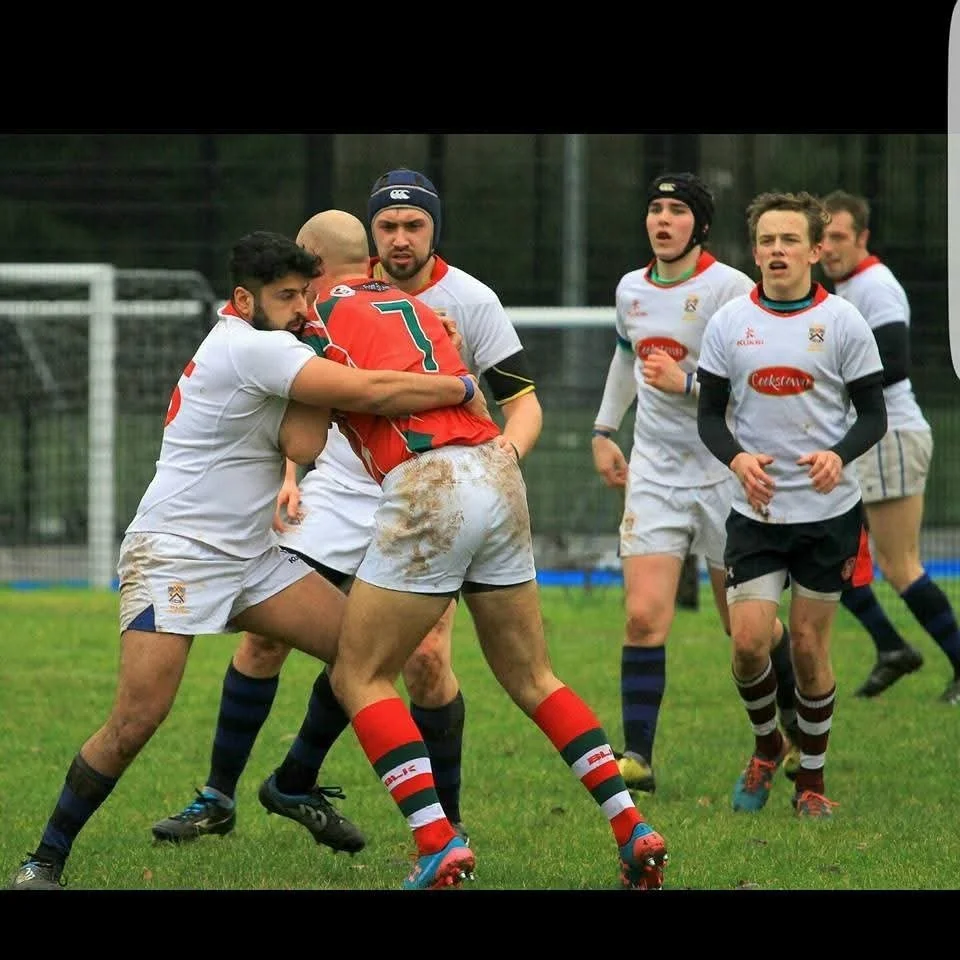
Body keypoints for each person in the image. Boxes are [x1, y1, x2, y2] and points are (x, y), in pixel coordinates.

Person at [8, 230, 490, 890]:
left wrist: (319, 354)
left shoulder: (279, 342)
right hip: (175, 553)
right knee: (135, 720)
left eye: (304, 294)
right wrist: (457, 384)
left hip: (253, 559)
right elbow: (373, 392)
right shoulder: (251, 345)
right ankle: (45, 860)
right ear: (243, 299)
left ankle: (400, 823)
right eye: (286, 296)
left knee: (363, 659)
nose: (300, 308)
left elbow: (302, 438)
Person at [151, 168, 543, 849]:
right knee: (266, 636)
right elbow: (290, 390)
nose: (398, 239)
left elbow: (524, 401)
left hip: (432, 491)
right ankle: (217, 795)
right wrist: (290, 473)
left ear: (432, 230)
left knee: (418, 659)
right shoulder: (311, 303)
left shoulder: (471, 302)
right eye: (387, 226)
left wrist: (501, 459)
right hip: (339, 486)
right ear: (363, 247)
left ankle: (433, 821)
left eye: (411, 225)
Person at [296, 208, 669, 890]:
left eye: (298, 278)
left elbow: (310, 427)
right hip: (496, 470)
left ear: (315, 269)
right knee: (534, 678)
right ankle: (631, 826)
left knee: (358, 673)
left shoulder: (316, 321)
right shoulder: (414, 305)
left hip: (429, 480)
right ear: (368, 257)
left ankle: (438, 840)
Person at [591, 172, 801, 796]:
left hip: (723, 470)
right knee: (641, 617)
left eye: (677, 210)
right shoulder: (631, 288)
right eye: (654, 208)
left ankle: (791, 729)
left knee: (746, 634)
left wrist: (686, 383)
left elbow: (754, 376)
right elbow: (627, 358)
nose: (662, 220)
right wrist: (606, 430)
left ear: (699, 225)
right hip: (655, 470)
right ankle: (639, 758)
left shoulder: (730, 289)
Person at [697, 190, 887, 817]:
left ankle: (812, 782)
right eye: (768, 241)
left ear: (813, 250)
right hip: (757, 511)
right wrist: (736, 458)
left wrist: (838, 453)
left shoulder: (842, 322)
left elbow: (874, 416)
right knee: (750, 643)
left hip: (828, 515)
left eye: (790, 241)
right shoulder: (729, 323)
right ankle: (766, 745)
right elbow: (709, 415)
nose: (778, 251)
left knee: (807, 647)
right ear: (755, 252)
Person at [820, 190, 960, 705]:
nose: (830, 246)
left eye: (840, 236)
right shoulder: (841, 290)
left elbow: (894, 363)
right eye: (825, 236)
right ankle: (891, 646)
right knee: (833, 555)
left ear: (862, 238)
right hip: (862, 440)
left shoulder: (875, 285)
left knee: (900, 564)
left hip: (890, 434)